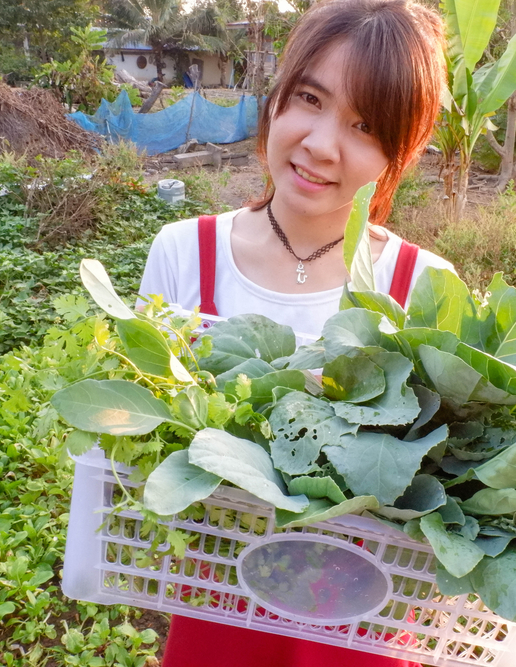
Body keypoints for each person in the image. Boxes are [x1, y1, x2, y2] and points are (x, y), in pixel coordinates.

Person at [137, 0, 450, 665]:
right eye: (309, 99)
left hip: (363, 621)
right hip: (216, 599)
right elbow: (140, 452)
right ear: (276, 97)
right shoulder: (183, 254)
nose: (320, 144)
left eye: (365, 125)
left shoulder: (422, 286)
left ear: (402, 151)